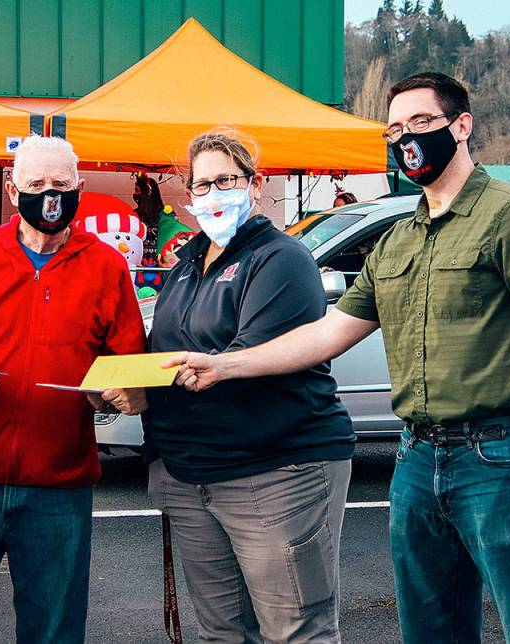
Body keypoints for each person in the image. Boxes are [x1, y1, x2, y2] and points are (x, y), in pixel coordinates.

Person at [167, 73, 510, 643]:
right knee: (428, 625)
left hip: (501, 455)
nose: (407, 138)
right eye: (395, 129)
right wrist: (223, 364)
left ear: (461, 127)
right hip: (416, 455)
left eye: (421, 123)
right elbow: (328, 334)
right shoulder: (398, 239)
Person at [104, 130, 355, 642]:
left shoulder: (280, 259)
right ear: (189, 196)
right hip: (190, 473)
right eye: (202, 185)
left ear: (255, 185)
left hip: (273, 471)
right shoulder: (187, 265)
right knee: (222, 633)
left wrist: (150, 391)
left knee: (295, 631)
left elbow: (243, 356)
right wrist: (125, 382)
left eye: (227, 180)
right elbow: (165, 350)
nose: (214, 193)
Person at [0, 135, 145, 644]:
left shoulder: (106, 266)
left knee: (54, 629)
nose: (49, 194)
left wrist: (111, 390)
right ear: (14, 194)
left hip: (60, 488)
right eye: (35, 184)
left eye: (60, 184)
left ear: (80, 188)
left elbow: (127, 358)